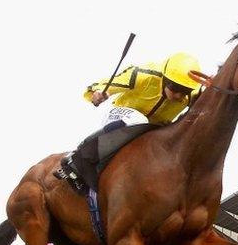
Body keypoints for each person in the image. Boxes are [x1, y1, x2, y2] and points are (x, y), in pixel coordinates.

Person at [59, 52, 203, 192]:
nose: (179, 95)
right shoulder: (143, 75)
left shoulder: (194, 94)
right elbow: (102, 85)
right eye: (175, 88)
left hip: (154, 130)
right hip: (122, 116)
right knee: (139, 120)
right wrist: (98, 92)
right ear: (164, 78)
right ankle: (80, 157)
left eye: (185, 91)